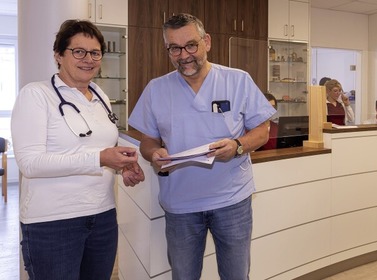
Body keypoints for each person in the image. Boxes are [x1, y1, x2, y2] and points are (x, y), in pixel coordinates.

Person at [128, 13, 275, 279]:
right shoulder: (156, 89)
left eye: (191, 45)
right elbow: (147, 140)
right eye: (174, 48)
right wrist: (153, 154)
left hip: (232, 201)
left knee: (236, 275)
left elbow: (263, 130)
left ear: (206, 42)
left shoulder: (237, 80)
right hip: (181, 205)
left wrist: (237, 145)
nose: (184, 55)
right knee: (184, 276)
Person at [11, 19, 145, 279]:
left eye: (95, 53)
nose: (89, 59)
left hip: (102, 216)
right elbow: (30, 163)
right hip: (53, 223)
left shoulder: (100, 96)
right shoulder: (36, 95)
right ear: (59, 55)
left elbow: (103, 147)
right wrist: (99, 159)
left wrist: (122, 167)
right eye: (79, 51)